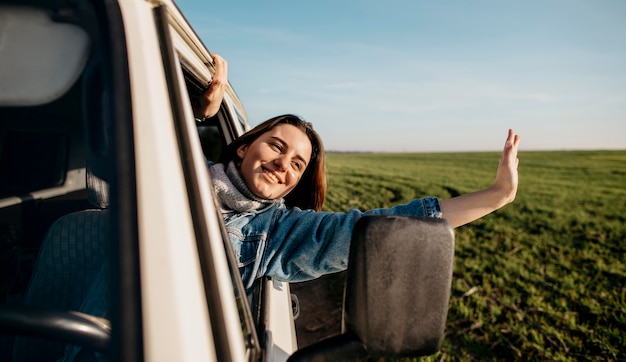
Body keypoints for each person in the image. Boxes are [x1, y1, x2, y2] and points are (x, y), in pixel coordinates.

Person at [200, 55, 521, 291]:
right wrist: (199, 114)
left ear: (295, 182)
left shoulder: (277, 233)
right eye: (276, 146)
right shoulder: (184, 167)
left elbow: (372, 230)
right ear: (243, 148)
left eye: (297, 164)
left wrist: (497, 196)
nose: (283, 164)